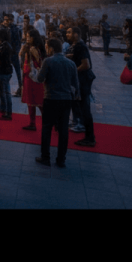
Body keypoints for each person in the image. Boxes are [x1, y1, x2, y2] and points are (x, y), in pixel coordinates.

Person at [35, 37, 80, 168]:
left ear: (51, 48)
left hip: (51, 98)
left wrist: (38, 72)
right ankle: (61, 159)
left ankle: (45, 157)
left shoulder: (48, 61)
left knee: (47, 128)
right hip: (66, 100)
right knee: (63, 130)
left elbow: (40, 78)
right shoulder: (71, 64)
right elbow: (76, 86)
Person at [66, 26, 96, 147]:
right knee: (81, 106)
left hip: (83, 80)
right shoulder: (76, 46)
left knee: (85, 108)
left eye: (69, 32)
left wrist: (74, 71)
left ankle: (90, 137)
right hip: (81, 80)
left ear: (76, 34)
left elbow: (86, 65)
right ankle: (85, 131)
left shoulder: (80, 46)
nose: (67, 34)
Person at [20, 28, 46, 131]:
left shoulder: (33, 49)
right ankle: (32, 122)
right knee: (32, 102)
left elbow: (39, 62)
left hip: (33, 77)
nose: (27, 39)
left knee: (38, 102)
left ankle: (45, 122)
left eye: (28, 37)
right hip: (29, 77)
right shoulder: (29, 47)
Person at [0, 28, 14, 120]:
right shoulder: (3, 45)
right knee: (4, 91)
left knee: (5, 92)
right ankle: (5, 110)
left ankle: (7, 111)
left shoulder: (5, 46)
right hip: (5, 71)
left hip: (4, 71)